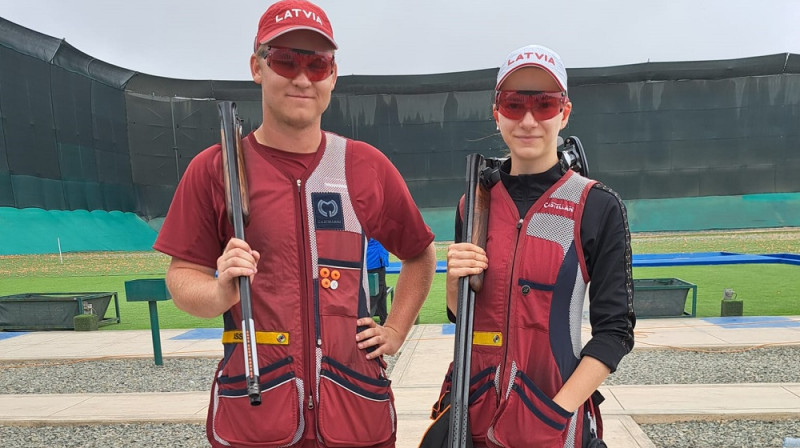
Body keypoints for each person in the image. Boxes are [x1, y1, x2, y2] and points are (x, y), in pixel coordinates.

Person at [153, 1, 436, 447]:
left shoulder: (365, 166)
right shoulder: (216, 169)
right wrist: (221, 290)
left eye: (317, 63)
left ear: (333, 75)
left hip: (356, 411)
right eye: (286, 60)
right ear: (257, 67)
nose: (303, 77)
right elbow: (182, 276)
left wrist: (396, 329)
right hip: (257, 415)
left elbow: (420, 254)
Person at [431, 45, 636, 447]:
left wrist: (555, 415)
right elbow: (462, 316)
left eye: (544, 105)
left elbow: (615, 332)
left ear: (564, 112)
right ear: (497, 112)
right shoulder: (474, 203)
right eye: (514, 104)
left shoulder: (597, 205)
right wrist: (452, 282)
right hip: (470, 411)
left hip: (553, 414)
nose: (527, 120)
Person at [367, 238, 390, 325]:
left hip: (377, 262)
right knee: (376, 294)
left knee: (382, 293)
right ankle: (362, 320)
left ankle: (384, 320)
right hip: (374, 262)